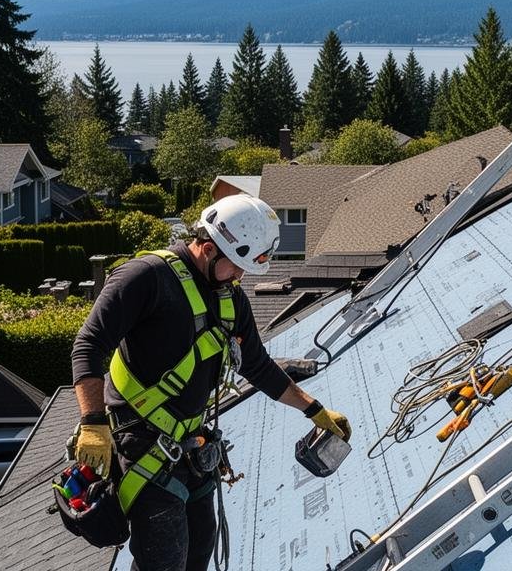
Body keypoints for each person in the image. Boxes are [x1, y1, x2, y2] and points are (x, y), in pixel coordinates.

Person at [68, 194, 352, 571]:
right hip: (141, 447)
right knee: (164, 561)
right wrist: (93, 425)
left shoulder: (230, 299)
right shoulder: (147, 277)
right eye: (236, 266)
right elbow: (88, 346)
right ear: (208, 247)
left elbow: (258, 366)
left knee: (200, 550)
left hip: (191, 449)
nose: (241, 277)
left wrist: (314, 410)